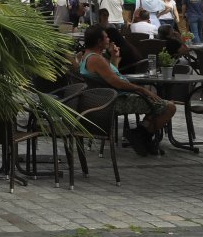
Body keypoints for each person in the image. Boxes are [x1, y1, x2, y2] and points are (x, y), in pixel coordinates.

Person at [72, 24, 177, 156]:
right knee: (169, 107)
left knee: (160, 104)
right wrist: (142, 90)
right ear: (99, 41)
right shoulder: (96, 59)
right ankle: (140, 135)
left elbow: (110, 76)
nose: (109, 39)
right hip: (115, 101)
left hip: (108, 98)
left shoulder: (88, 56)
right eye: (106, 37)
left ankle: (141, 136)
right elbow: (117, 82)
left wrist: (114, 58)